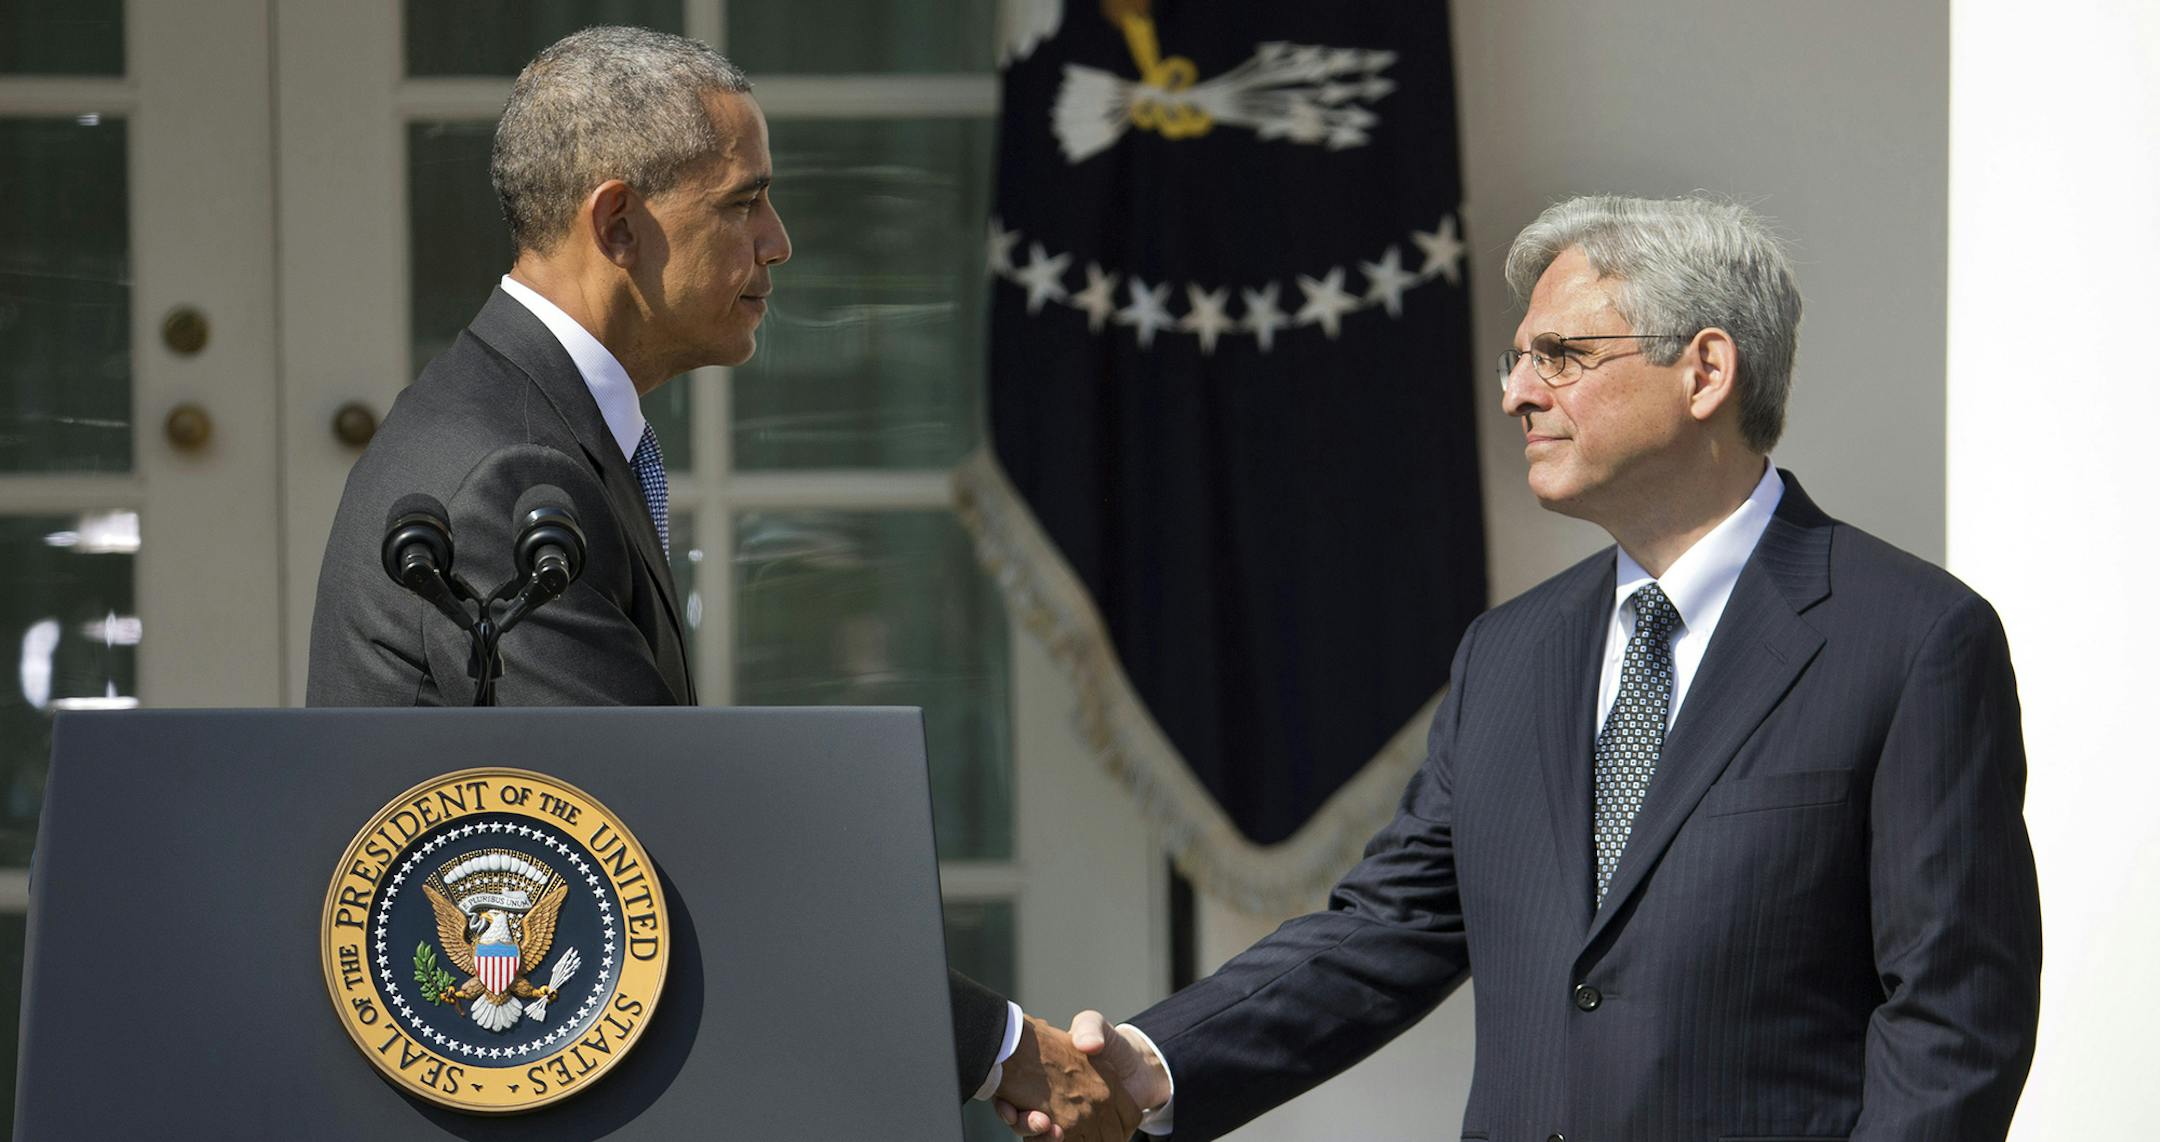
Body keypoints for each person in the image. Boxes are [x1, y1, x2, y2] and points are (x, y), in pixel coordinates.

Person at [1016, 195, 2043, 1141]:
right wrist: (1153, 1063)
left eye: (1557, 355)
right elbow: (1386, 929)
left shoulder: (1913, 640)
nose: (1515, 393)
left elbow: (1957, 1013)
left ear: (1705, 370)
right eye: (1517, 359)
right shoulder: (1509, 654)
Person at [305, 26, 1128, 1134]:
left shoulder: (530, 421)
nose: (778, 243)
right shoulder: (506, 469)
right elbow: (667, 846)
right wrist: (1005, 1053)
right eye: (744, 203)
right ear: (616, 223)